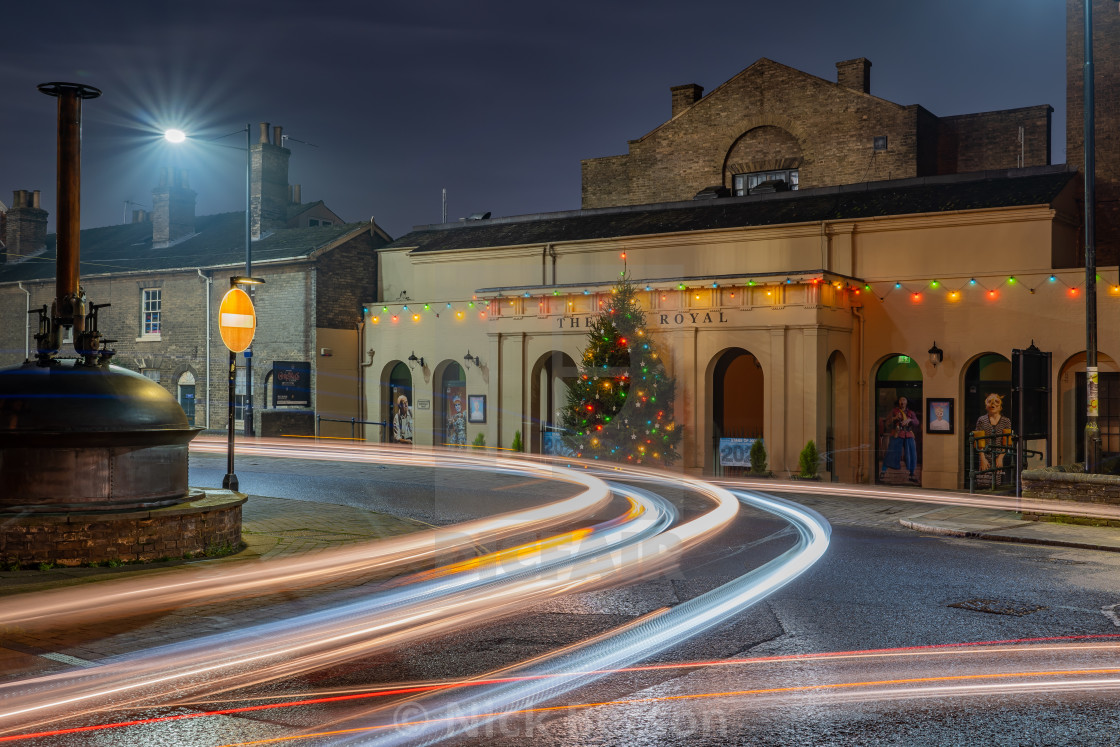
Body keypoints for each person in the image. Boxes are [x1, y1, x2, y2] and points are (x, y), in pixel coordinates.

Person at [879, 396, 920, 483]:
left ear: (906, 402)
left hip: (908, 434)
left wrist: (910, 420)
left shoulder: (911, 413)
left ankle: (912, 474)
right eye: (901, 400)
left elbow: (916, 422)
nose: (902, 402)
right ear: (899, 402)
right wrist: (894, 418)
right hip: (897, 433)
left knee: (912, 454)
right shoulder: (894, 411)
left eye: (904, 400)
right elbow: (887, 422)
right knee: (891, 452)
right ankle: (883, 472)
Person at [974, 392, 1011, 484]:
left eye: (996, 402)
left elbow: (1007, 441)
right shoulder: (981, 420)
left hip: (999, 455)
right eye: (990, 401)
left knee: (998, 482)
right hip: (985, 455)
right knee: (984, 482)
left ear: (1000, 406)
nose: (993, 404)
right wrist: (982, 458)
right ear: (986, 405)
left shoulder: (1006, 421)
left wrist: (1001, 457)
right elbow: (978, 440)